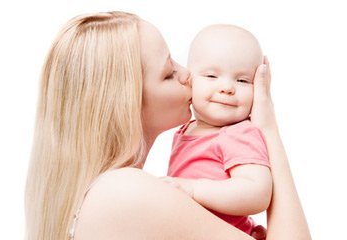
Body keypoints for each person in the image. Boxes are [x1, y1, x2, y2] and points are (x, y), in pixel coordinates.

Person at [25, 11, 311, 240]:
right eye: (168, 72)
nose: (187, 74)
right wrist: (268, 129)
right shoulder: (123, 190)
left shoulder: (112, 192)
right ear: (127, 100)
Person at [165, 24, 272, 236]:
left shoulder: (238, 133)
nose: (227, 87)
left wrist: (193, 189)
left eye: (242, 80)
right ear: (189, 80)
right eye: (212, 76)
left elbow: (257, 192)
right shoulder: (187, 129)